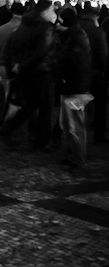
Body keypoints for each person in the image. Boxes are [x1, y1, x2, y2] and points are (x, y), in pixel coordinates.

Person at [0, 0, 58, 151]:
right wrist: (23, 66)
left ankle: (8, 128)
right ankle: (42, 141)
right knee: (45, 107)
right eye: (52, 10)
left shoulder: (24, 25)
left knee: (30, 105)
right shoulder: (45, 27)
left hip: (24, 72)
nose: (54, 13)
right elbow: (42, 52)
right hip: (40, 72)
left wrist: (15, 66)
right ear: (45, 12)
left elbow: (13, 46)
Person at [56, 9, 92, 169]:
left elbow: (74, 65)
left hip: (76, 89)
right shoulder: (73, 36)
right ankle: (70, 155)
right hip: (70, 87)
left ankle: (78, 158)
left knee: (75, 126)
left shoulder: (75, 37)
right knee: (67, 125)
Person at [78, 5, 108, 144]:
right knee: (100, 105)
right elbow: (102, 55)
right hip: (95, 72)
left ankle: (61, 132)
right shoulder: (97, 32)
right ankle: (99, 134)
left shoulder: (76, 28)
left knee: (76, 103)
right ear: (96, 17)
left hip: (79, 72)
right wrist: (103, 69)